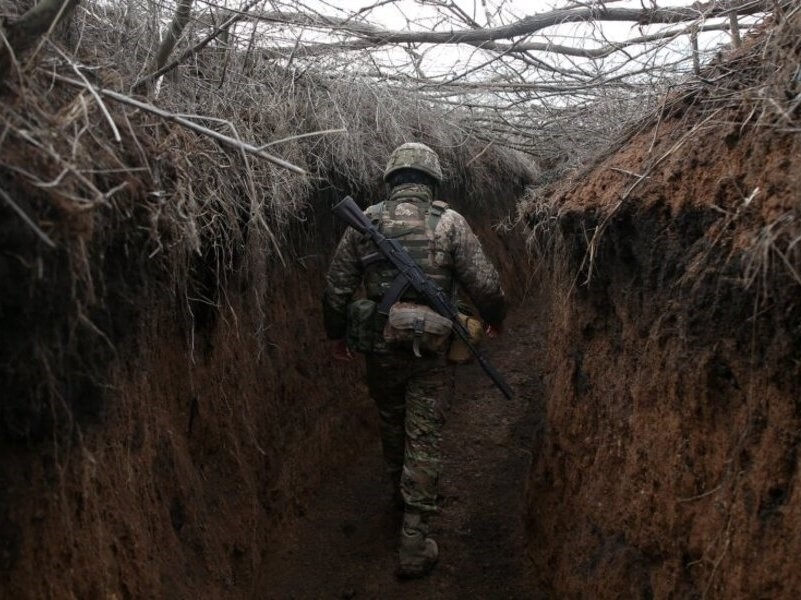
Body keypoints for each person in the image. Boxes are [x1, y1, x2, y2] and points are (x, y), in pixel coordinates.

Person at [322, 142, 507, 579]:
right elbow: (485, 284)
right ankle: (414, 538)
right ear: (431, 182)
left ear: (392, 179)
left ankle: (399, 502)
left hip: (382, 349)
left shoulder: (365, 221)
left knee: (392, 423)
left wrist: (335, 336)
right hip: (432, 352)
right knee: (423, 437)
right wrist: (495, 318)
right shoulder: (450, 224)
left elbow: (336, 289)